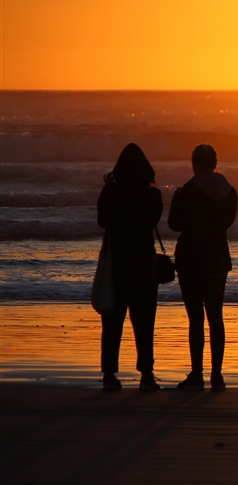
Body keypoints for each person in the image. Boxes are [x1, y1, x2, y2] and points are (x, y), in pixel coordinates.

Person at [169, 144, 238, 391]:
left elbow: (175, 224)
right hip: (218, 256)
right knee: (216, 318)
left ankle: (197, 375)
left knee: (196, 319)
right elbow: (228, 221)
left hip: (190, 258)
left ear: (195, 164)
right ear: (215, 163)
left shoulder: (187, 191)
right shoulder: (230, 192)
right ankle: (217, 376)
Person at [97, 143, 163, 391]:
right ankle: (146, 374)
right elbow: (153, 221)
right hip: (144, 262)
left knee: (113, 320)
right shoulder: (152, 195)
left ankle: (109, 374)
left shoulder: (111, 192)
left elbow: (102, 221)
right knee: (144, 321)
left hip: (117, 261)